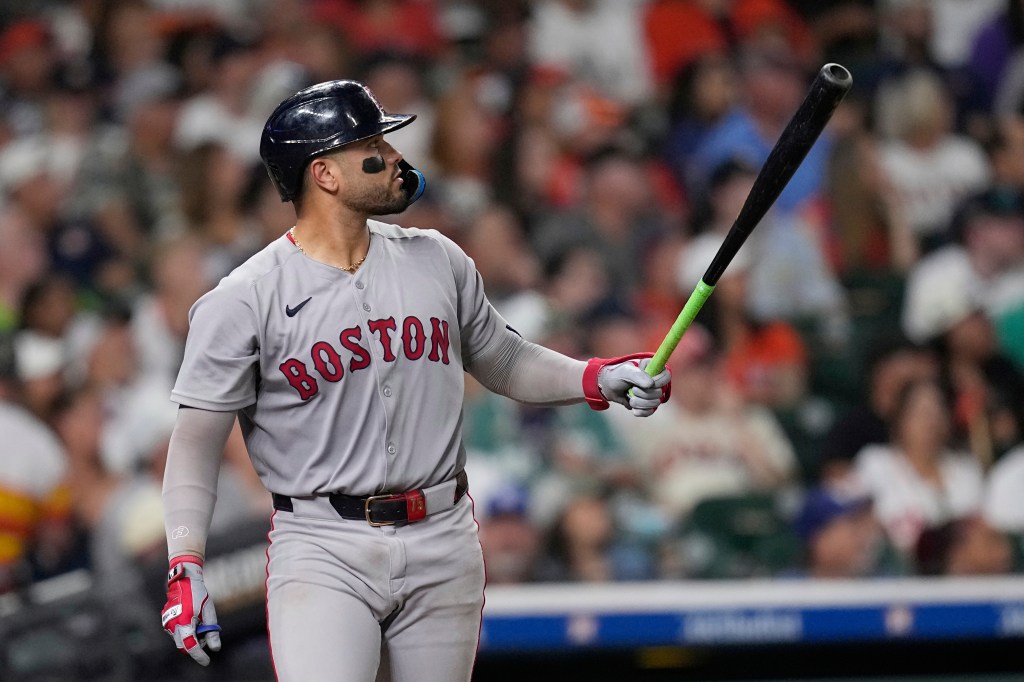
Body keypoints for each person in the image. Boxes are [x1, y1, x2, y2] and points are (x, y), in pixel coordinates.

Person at [157, 79, 672, 681]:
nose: (395, 156)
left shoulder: (437, 257)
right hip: (324, 543)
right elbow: (195, 444)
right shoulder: (243, 299)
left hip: (442, 533)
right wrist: (185, 562)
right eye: (373, 147)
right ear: (324, 174)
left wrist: (596, 377)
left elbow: (503, 359)